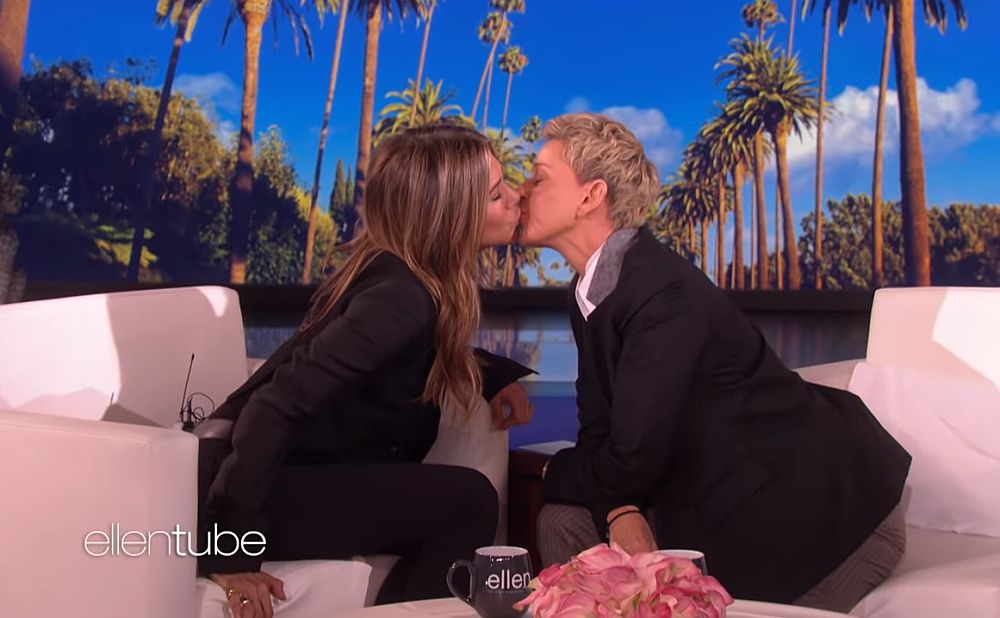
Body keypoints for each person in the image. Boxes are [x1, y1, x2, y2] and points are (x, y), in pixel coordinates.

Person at [517, 112, 911, 612]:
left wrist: (552, 470)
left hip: (826, 516)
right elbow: (602, 432)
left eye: (538, 178)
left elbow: (630, 459)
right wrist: (618, 507)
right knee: (562, 520)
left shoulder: (661, 293)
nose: (522, 191)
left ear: (590, 196)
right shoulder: (590, 292)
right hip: (716, 500)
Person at [196, 125, 535, 617]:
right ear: (451, 215)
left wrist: (491, 373)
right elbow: (275, 405)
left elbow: (412, 351)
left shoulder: (398, 274)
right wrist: (229, 550)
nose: (516, 197)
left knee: (460, 499)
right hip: (250, 492)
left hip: (277, 476)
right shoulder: (402, 301)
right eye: (496, 194)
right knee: (468, 501)